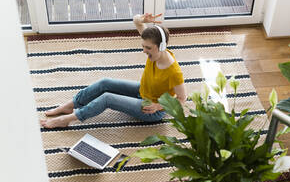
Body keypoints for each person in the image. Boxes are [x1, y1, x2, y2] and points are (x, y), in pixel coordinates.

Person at [40, 13, 186, 128]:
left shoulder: (174, 72)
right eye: (143, 46)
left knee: (107, 98)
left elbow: (182, 99)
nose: (144, 51)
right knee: (105, 83)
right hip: (142, 91)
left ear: (161, 47)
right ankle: (69, 106)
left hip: (151, 110)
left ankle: (67, 119)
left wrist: (158, 106)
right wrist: (142, 19)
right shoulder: (154, 49)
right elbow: (137, 21)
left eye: (148, 48)